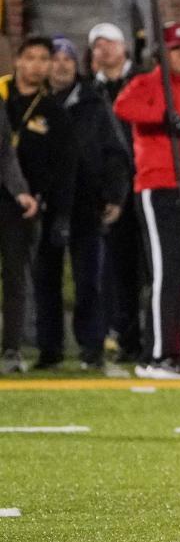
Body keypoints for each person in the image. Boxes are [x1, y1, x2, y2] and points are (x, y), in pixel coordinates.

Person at [113, 22, 180, 379]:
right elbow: (123, 107)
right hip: (159, 184)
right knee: (166, 271)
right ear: (161, 53)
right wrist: (160, 116)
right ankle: (157, 355)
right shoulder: (148, 84)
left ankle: (171, 351)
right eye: (174, 49)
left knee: (179, 272)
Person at [35, 36, 128, 370]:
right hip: (44, 203)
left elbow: (115, 152)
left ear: (77, 64)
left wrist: (116, 194)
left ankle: (92, 347)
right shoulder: (35, 102)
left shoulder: (93, 101)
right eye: (55, 58)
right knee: (45, 277)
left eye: (68, 59)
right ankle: (49, 349)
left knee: (90, 279)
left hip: (87, 201)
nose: (61, 65)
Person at [0, 36, 78, 373]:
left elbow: (61, 164)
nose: (36, 65)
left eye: (42, 59)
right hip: (16, 193)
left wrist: (46, 201)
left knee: (16, 277)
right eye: (29, 57)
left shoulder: (53, 110)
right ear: (17, 60)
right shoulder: (2, 96)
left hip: (22, 203)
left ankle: (12, 349)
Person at [89, 22, 144, 365]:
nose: (102, 51)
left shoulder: (140, 82)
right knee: (116, 267)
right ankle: (122, 335)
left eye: (108, 44)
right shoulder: (92, 89)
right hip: (111, 188)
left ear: (123, 47)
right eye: (97, 46)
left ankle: (143, 336)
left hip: (145, 183)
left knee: (145, 269)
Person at [0, 96, 38, 374]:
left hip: (6, 201)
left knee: (15, 274)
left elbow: (4, 152)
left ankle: (11, 348)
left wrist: (20, 190)